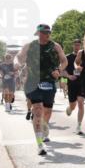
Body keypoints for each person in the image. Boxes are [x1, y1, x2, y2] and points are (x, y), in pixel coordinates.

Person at [15, 24, 68, 156]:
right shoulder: (29, 46)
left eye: (48, 32)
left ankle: (44, 126)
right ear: (38, 33)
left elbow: (64, 61)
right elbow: (19, 56)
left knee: (47, 111)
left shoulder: (55, 46)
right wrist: (17, 63)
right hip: (32, 82)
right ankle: (39, 143)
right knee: (37, 110)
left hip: (49, 82)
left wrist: (59, 70)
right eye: (44, 32)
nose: (47, 35)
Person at [64, 40, 85, 134]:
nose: (77, 47)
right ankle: (70, 108)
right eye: (75, 45)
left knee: (81, 103)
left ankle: (79, 126)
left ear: (80, 46)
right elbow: (62, 70)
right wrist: (69, 76)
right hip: (72, 84)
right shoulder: (68, 57)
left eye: (78, 45)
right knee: (73, 106)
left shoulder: (84, 57)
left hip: (81, 84)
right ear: (73, 46)